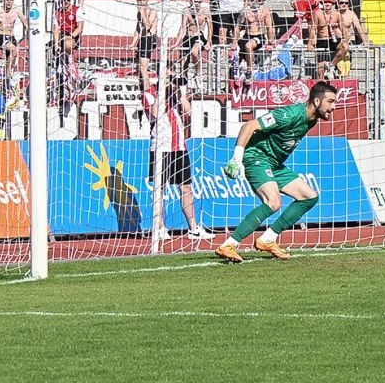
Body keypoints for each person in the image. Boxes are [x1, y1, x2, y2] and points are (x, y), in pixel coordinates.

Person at [215, 80, 338, 262]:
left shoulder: (311, 120)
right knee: (273, 201)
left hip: (274, 164)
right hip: (257, 157)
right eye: (331, 101)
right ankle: (229, 244)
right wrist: (236, 158)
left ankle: (267, 239)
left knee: (309, 196)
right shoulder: (288, 115)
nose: (334, 107)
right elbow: (249, 126)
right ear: (317, 101)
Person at [144, 73, 212, 241]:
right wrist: (162, 91)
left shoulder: (176, 97)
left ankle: (193, 228)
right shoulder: (149, 93)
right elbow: (153, 113)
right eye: (169, 80)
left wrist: (179, 93)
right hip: (160, 148)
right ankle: (159, 227)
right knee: (160, 189)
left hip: (179, 147)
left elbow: (189, 112)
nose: (172, 84)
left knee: (186, 187)